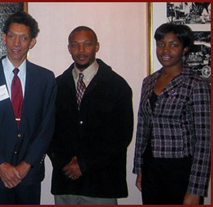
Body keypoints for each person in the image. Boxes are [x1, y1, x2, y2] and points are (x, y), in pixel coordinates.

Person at [0, 11, 56, 205]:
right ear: (4, 38)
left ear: (32, 42)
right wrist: (0, 165)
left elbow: (47, 126)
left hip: (30, 174)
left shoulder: (45, 79)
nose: (17, 43)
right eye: (12, 36)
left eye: (23, 38)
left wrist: (28, 164)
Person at [47, 26, 134, 205]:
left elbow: (121, 137)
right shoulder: (57, 86)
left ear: (97, 46)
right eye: (75, 45)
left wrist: (83, 165)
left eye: (87, 44)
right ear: (69, 48)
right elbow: (48, 131)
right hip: (66, 183)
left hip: (102, 184)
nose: (81, 50)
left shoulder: (117, 86)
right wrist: (64, 163)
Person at [133, 23, 210, 205]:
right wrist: (140, 169)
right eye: (161, 44)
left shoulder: (196, 85)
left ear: (185, 49)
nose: (165, 50)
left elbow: (205, 140)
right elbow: (143, 127)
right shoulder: (149, 81)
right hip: (152, 167)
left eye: (173, 44)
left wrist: (195, 189)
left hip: (180, 169)